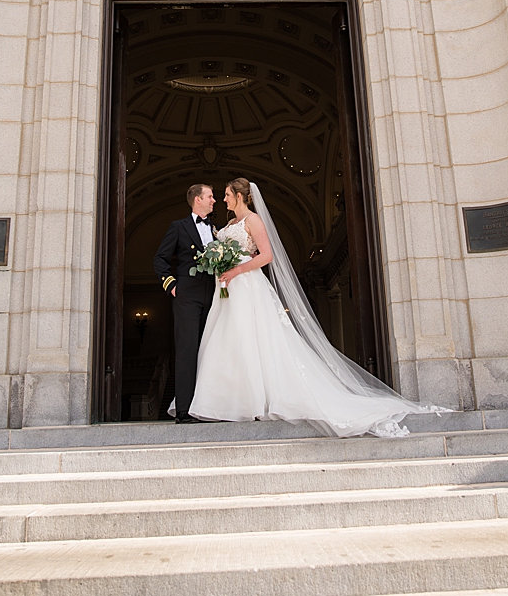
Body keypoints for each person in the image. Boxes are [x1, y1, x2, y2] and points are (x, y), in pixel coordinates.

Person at [188, 177, 443, 437]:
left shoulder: (253, 220)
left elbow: (267, 256)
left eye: (228, 194)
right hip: (229, 288)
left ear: (240, 196)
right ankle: (231, 401)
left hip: (247, 285)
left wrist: (237, 269)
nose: (224, 199)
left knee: (255, 339)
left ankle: (257, 400)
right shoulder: (230, 224)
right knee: (230, 340)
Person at [151, 183, 217, 423]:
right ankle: (184, 410)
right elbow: (160, 259)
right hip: (188, 296)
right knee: (188, 349)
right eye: (210, 196)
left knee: (212, 349)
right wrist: (171, 284)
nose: (214, 201)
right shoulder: (178, 227)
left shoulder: (216, 229)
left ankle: (210, 406)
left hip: (214, 295)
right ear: (197, 199)